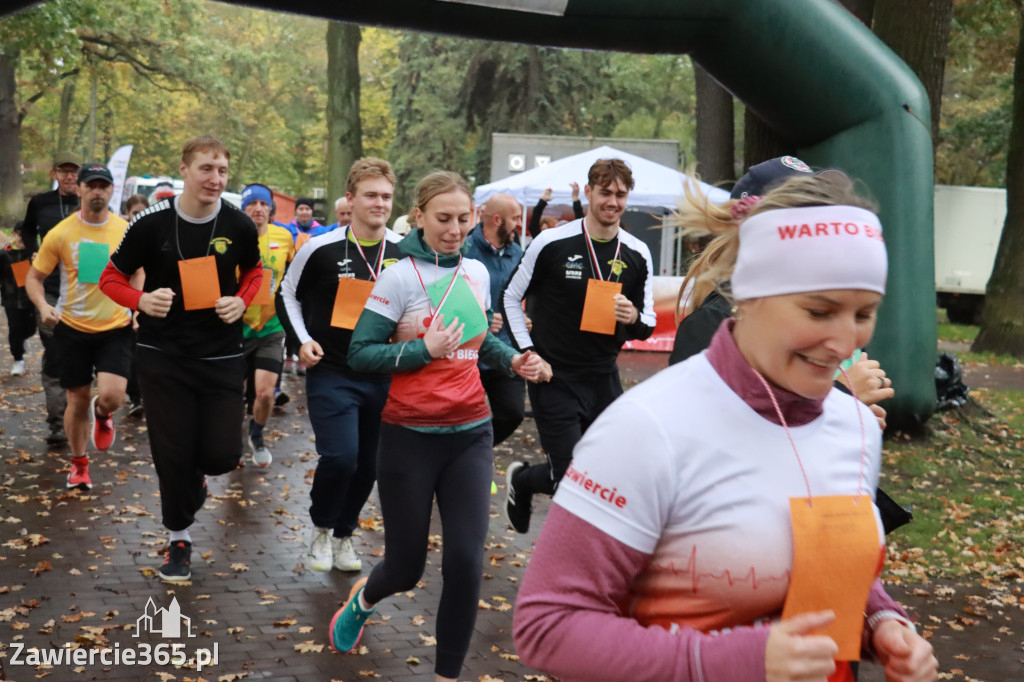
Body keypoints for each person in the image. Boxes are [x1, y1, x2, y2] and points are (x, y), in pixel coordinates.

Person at [513, 172, 938, 682]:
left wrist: (879, 621)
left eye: (864, 312)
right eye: (819, 311)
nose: (845, 342)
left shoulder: (857, 426)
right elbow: (545, 628)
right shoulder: (647, 427)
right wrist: (728, 661)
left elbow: (818, 562)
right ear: (752, 293)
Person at [329, 171, 550, 682]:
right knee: (406, 567)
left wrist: (513, 360)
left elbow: (479, 338)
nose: (454, 229)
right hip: (408, 437)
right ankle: (362, 600)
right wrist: (420, 351)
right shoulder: (399, 277)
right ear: (420, 217)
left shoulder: (474, 271)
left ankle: (446, 676)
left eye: (462, 219)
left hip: (470, 432)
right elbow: (360, 354)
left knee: (467, 564)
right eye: (444, 219)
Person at [99, 135, 262, 582]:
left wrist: (242, 301)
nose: (215, 178)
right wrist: (140, 300)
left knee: (222, 455)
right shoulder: (150, 223)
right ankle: (179, 539)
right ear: (185, 169)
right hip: (163, 355)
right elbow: (109, 279)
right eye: (206, 168)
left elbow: (255, 272)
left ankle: (200, 478)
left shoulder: (238, 225)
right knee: (172, 454)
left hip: (221, 354)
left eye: (222, 171)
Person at [502, 158, 656, 534]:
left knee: (610, 475)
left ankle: (526, 479)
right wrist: (530, 353)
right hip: (555, 377)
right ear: (588, 193)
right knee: (571, 480)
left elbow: (647, 326)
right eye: (605, 193)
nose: (613, 202)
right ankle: (524, 484)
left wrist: (632, 317)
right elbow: (510, 298)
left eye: (620, 195)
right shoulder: (551, 242)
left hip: (604, 377)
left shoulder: (637, 253)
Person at [279, 157, 402, 573]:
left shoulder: (404, 253)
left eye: (386, 196)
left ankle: (345, 534)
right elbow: (286, 294)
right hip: (331, 371)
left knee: (370, 464)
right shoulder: (319, 248)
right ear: (350, 199)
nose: (379, 203)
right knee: (341, 457)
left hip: (383, 374)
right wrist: (302, 342)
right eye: (371, 195)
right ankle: (320, 528)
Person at [25, 163, 132, 490]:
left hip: (115, 326)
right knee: (77, 399)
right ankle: (79, 465)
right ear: (81, 190)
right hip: (72, 327)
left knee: (113, 396)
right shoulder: (62, 232)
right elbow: (34, 277)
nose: (98, 191)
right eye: (92, 185)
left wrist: (136, 304)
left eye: (104, 185)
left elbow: (139, 270)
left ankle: (103, 415)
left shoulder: (126, 230)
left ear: (112, 190)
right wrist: (43, 306)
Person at [21, 150, 82, 445]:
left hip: (85, 293)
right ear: (55, 174)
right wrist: (34, 251)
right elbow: (28, 229)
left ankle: (78, 413)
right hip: (50, 290)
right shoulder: (41, 202)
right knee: (57, 354)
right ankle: (58, 423)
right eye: (64, 171)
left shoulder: (91, 203)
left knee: (81, 356)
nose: (69, 176)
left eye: (74, 171)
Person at [239, 183, 295, 467]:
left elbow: (295, 275)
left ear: (270, 208)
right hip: (236, 327)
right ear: (243, 208)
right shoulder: (230, 237)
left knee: (264, 393)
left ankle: (257, 433)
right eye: (252, 204)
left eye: (263, 204)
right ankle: (228, 438)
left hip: (271, 328)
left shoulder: (284, 237)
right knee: (232, 393)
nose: (258, 209)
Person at [465, 193, 527, 445]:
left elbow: (520, 295)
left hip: (506, 350)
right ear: (497, 220)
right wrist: (480, 321)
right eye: (515, 218)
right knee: (465, 419)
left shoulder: (516, 252)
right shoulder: (466, 249)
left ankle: (475, 451)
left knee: (512, 414)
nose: (520, 224)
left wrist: (523, 317)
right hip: (471, 353)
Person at [122, 193, 150, 416]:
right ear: (127, 214)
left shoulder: (155, 234)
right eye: (134, 213)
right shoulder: (120, 236)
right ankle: (135, 397)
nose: (138, 217)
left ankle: (146, 394)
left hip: (151, 300)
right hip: (126, 301)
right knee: (131, 350)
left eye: (142, 212)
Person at [0, 223, 37, 376]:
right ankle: (18, 360)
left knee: (30, 328)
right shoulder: (4, 254)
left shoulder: (36, 252)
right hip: (11, 299)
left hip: (32, 299)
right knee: (15, 329)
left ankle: (23, 338)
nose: (23, 238)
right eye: (21, 234)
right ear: (14, 235)